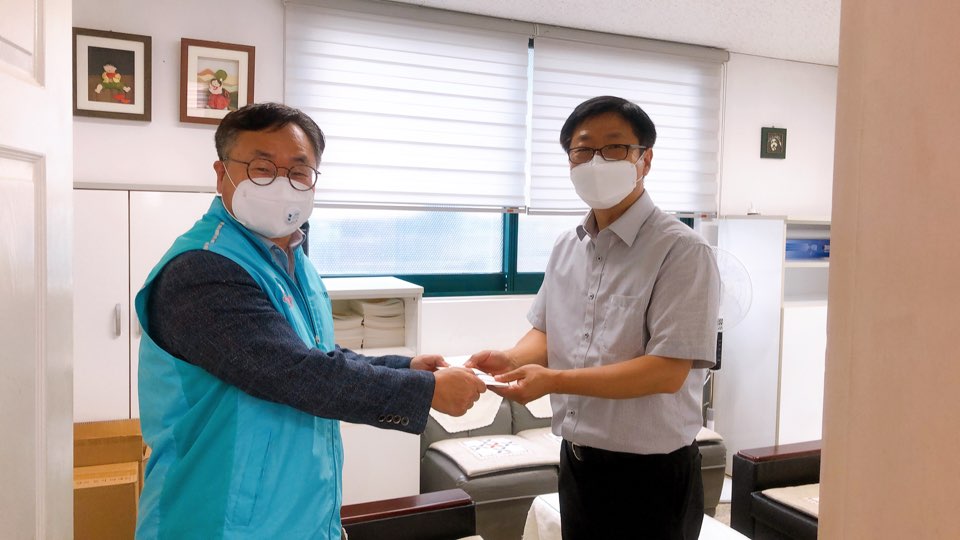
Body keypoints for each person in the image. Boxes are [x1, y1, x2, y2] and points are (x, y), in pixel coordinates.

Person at [134, 102, 486, 539]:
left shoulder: (293, 260)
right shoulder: (202, 269)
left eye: (299, 172)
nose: (282, 185)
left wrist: (407, 367)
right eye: (262, 168)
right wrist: (426, 391)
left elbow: (316, 353)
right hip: (218, 522)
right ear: (222, 174)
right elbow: (294, 373)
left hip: (300, 518)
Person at [467, 96, 720, 539]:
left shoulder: (682, 251)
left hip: (653, 478)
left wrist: (554, 380)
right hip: (578, 465)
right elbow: (548, 331)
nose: (597, 161)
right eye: (583, 150)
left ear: (645, 159)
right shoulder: (568, 246)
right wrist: (509, 360)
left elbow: (666, 371)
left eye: (615, 147)